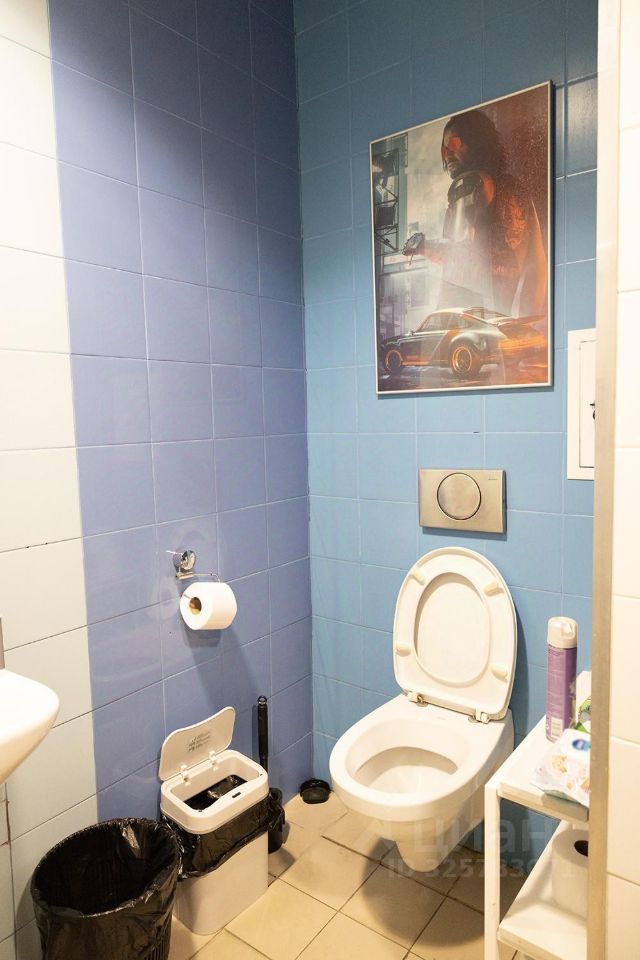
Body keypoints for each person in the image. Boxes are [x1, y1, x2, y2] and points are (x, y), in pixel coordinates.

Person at [403, 109, 547, 318]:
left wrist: (423, 246)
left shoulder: (468, 185)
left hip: (469, 322)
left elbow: (460, 253)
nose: (447, 155)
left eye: (453, 144)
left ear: (476, 143)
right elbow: (537, 266)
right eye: (443, 149)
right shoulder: (516, 189)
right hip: (507, 322)